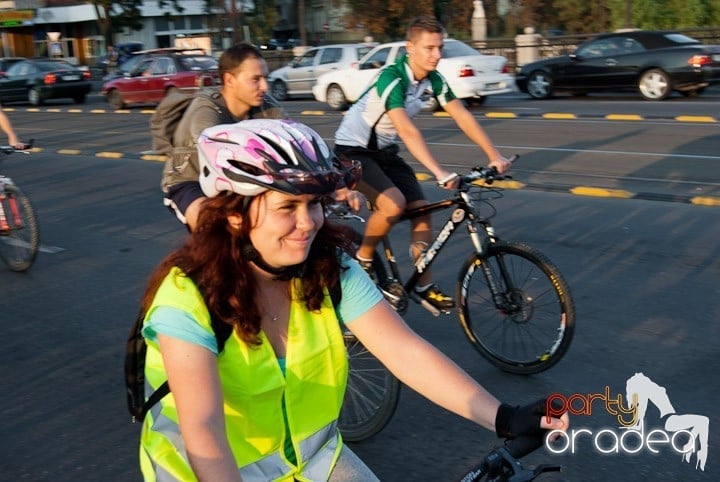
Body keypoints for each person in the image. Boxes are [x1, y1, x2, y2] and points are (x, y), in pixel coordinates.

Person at [138, 119, 569, 481]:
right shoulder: (187, 297)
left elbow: (404, 352)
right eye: (288, 207)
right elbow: (203, 430)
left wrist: (503, 417)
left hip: (314, 464)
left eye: (315, 204)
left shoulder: (330, 270)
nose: (307, 223)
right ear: (234, 213)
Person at [333, 15, 514, 311]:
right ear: (410, 48)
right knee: (393, 204)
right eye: (429, 48)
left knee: (422, 212)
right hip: (353, 151)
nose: (437, 55)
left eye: (439, 47)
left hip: (386, 152)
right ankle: (363, 261)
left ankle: (422, 285)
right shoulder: (391, 77)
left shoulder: (434, 79)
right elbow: (407, 129)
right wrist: (439, 172)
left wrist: (494, 155)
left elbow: (463, 116)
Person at [161, 42, 362, 231]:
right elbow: (217, 156)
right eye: (255, 79)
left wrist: (336, 186)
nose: (264, 86)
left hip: (240, 176)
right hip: (191, 181)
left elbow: (295, 139)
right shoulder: (206, 110)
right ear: (229, 80)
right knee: (217, 228)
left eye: (265, 77)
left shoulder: (263, 103)